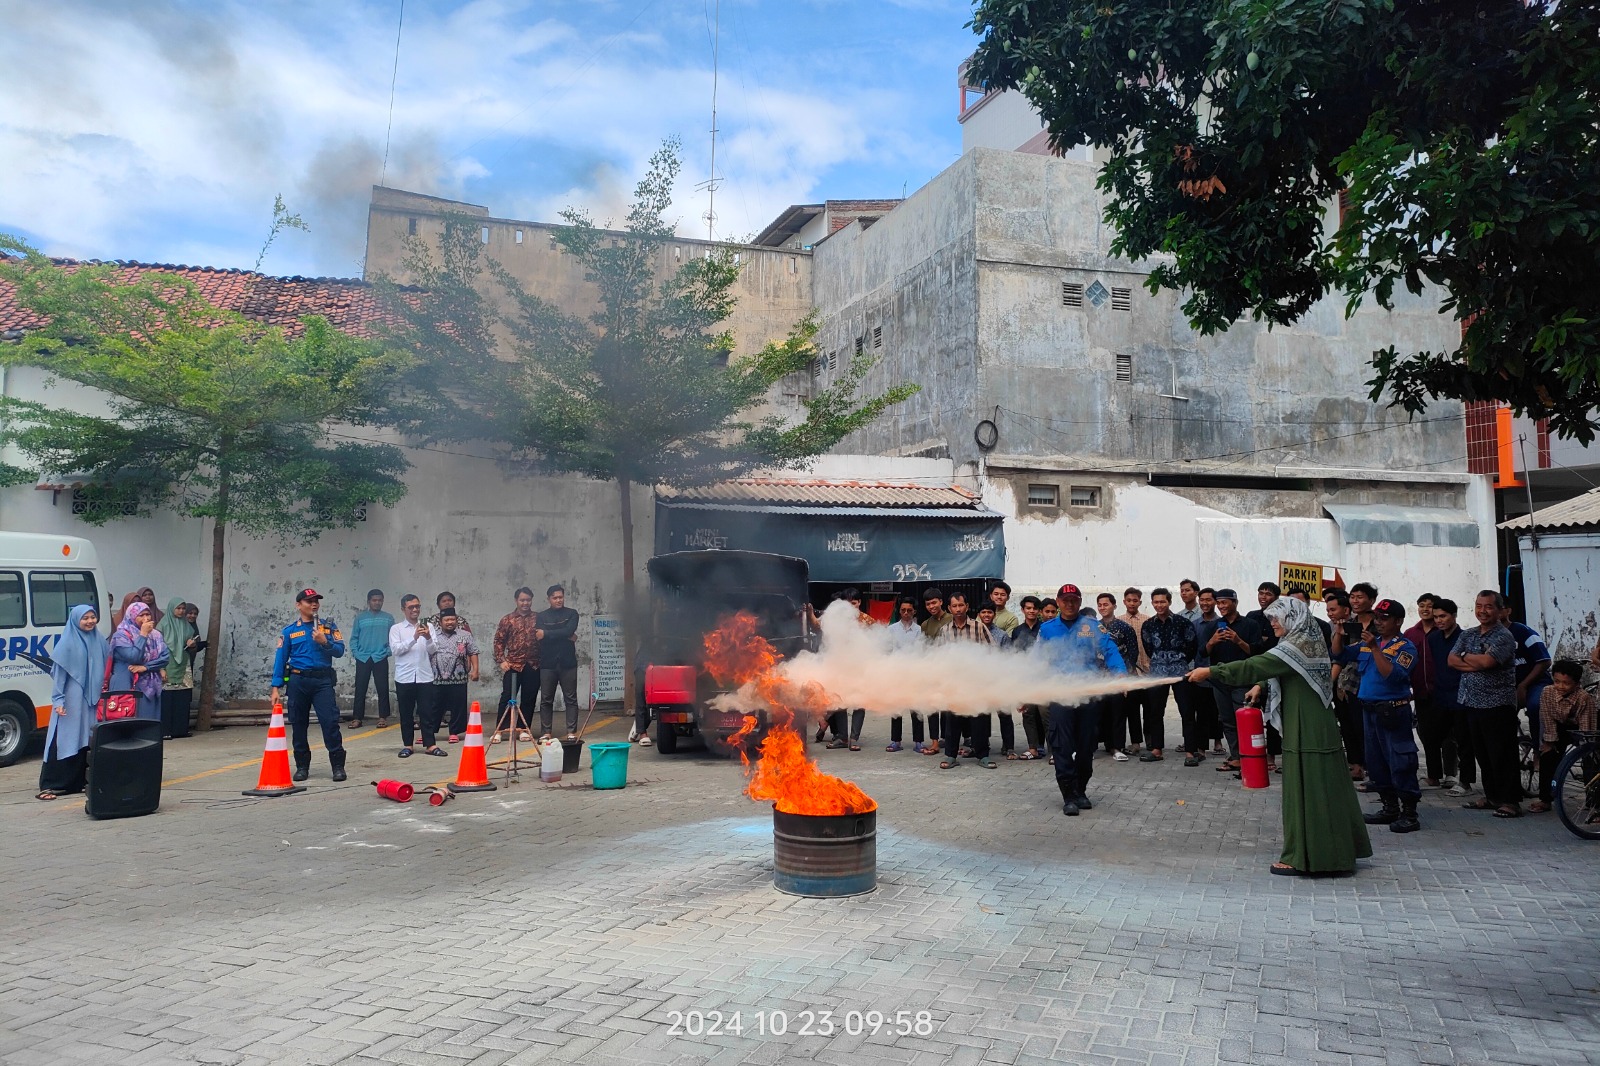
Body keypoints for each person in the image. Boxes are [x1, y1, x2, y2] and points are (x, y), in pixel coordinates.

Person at [1187, 597, 1372, 876]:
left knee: (1308, 790)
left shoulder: (1295, 645)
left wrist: (1211, 671)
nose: (1271, 623)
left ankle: (1309, 858)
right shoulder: (1306, 641)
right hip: (1315, 725)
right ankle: (1338, 851)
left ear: (1292, 618)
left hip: (1306, 727)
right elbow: (1278, 669)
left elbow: (1256, 665)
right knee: (1326, 788)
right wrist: (1261, 686)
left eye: (1276, 618)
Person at [1039, 583, 1127, 815]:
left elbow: (1110, 651)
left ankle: (1081, 791)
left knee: (1087, 747)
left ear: (1079, 602)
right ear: (1057, 602)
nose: (1069, 604)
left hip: (1089, 696)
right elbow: (1037, 661)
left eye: (1074, 600)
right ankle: (1068, 795)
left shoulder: (1092, 626)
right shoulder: (1047, 629)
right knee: (1062, 747)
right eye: (1065, 600)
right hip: (1061, 696)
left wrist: (1120, 674)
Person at [1339, 599, 1423, 832]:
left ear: (1398, 621)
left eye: (1384, 618)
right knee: (1376, 762)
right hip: (1370, 711)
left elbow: (1393, 675)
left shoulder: (1406, 647)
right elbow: (1341, 654)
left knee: (1401, 760)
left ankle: (1409, 813)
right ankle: (1389, 807)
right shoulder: (1369, 643)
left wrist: (1376, 650)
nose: (1379, 622)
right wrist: (1338, 633)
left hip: (1393, 711)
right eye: (1377, 617)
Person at [1450, 590, 1521, 818]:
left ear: (1499, 610)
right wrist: (1475, 661)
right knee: (1482, 753)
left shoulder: (1504, 636)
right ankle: (1492, 797)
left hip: (1497, 703)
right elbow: (1451, 660)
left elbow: (1489, 662)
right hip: (1470, 702)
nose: (1483, 611)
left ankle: (1510, 801)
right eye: (1479, 605)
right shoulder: (1468, 634)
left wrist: (1466, 658)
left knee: (1502, 754)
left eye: (1489, 606)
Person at [268, 589, 347, 782]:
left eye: (316, 601)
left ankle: (338, 766)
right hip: (298, 681)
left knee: (330, 723)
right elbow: (281, 659)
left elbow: (340, 651)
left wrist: (324, 641)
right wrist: (276, 688)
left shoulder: (328, 628)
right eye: (309, 601)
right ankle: (302, 766)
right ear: (298, 605)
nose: (314, 604)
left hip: (322, 682)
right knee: (299, 724)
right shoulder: (290, 631)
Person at [36, 605, 107, 800]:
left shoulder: (98, 640)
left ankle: (78, 782)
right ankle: (51, 784)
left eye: (93, 617)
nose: (90, 621)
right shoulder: (66, 643)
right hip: (71, 699)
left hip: (91, 699)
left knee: (85, 738)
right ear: (75, 619)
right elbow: (59, 676)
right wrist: (58, 700)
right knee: (64, 737)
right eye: (85, 618)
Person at [1200, 588, 1265, 772]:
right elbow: (1203, 652)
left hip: (1243, 681)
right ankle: (1236, 756)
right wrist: (1212, 641)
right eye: (1218, 603)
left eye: (1224, 602)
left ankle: (1249, 756)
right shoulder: (1214, 625)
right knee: (1227, 720)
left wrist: (1238, 641)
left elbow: (1257, 652)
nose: (1221, 606)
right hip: (1220, 682)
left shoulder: (1250, 625)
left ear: (1235, 603)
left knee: (1244, 720)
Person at [935, 592, 995, 769]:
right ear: (949, 609)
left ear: (967, 607)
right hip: (954, 684)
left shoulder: (978, 627)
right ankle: (951, 756)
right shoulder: (945, 631)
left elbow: (991, 652)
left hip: (976, 682)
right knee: (953, 721)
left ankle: (983, 755)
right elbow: (938, 657)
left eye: (961, 605)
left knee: (979, 720)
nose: (958, 609)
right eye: (954, 606)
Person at [1141, 587, 1198, 764]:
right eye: (1156, 602)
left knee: (1187, 712)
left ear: (1170, 602)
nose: (1159, 605)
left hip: (1180, 672)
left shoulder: (1183, 622)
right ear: (1152, 603)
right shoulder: (1148, 625)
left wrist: (1177, 660)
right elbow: (1149, 648)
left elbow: (1191, 647)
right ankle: (1157, 749)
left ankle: (1190, 752)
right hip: (1157, 673)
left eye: (1162, 602)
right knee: (1155, 712)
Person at [1532, 660, 1596, 813]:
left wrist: (1584, 749)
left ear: (1576, 683)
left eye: (1566, 683)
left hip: (1580, 727)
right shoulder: (1547, 691)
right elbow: (1547, 717)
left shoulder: (1583, 697)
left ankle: (1594, 804)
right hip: (1557, 725)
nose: (1560, 686)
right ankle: (1545, 799)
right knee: (1548, 756)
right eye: (1557, 681)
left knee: (1590, 762)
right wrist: (1550, 742)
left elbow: (1586, 729)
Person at [390, 595, 442, 758]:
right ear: (403, 609)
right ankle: (408, 745)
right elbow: (396, 650)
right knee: (406, 713)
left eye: (417, 606)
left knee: (427, 712)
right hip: (404, 676)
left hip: (424, 675)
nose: (415, 610)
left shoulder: (429, 627)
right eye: (411, 607)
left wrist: (427, 637)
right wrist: (414, 638)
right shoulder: (396, 629)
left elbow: (434, 650)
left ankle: (430, 745)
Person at [1427, 599, 1469, 796]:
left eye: (1443, 616)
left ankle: (1465, 781)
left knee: (1463, 740)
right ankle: (1436, 775)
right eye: (1435, 617)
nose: (1439, 620)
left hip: (1462, 695)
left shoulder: (1465, 637)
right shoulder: (1433, 638)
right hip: (1440, 694)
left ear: (1454, 615)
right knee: (1433, 735)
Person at [1325, 588, 1366, 783]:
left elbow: (1342, 658)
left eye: (1333, 609)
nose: (1330, 613)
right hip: (1342, 686)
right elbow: (1336, 656)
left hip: (1359, 685)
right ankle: (1356, 766)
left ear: (1346, 610)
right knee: (1347, 727)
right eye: (1328, 610)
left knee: (1360, 727)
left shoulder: (1358, 628)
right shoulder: (1336, 628)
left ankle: (1367, 767)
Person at [491, 587, 542, 743]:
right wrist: (502, 660)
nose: (525, 603)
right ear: (516, 601)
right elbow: (499, 641)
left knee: (529, 697)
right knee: (507, 697)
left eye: (528, 600)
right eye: (522, 600)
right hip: (513, 664)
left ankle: (523, 729)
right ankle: (500, 730)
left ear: (531, 600)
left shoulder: (539, 618)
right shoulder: (507, 619)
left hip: (533, 664)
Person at [1096, 592, 1140, 759]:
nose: (1102, 608)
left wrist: (1125, 678)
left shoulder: (1125, 628)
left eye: (1106, 604)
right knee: (1098, 713)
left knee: (1117, 713)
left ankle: (1117, 747)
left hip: (1118, 677)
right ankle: (1095, 746)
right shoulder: (1093, 627)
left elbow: (1132, 654)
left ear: (1114, 606)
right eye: (1099, 605)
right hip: (1098, 679)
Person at [536, 584, 581, 741]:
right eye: (555, 597)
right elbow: (539, 635)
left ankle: (571, 731)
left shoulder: (572, 613)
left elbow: (569, 631)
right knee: (546, 699)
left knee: (571, 698)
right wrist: (563, 634)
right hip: (547, 663)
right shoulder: (541, 616)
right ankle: (546, 732)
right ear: (549, 599)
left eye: (560, 597)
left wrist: (547, 633)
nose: (558, 600)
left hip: (568, 663)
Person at [110, 601, 168, 722]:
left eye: (148, 614)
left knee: (150, 722)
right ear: (131, 616)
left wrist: (146, 667)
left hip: (152, 684)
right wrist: (143, 635)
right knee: (129, 722)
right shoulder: (121, 635)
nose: (146, 618)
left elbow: (165, 657)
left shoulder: (156, 635)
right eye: (141, 615)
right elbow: (134, 657)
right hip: (128, 684)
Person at [1404, 594, 1440, 786]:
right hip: (1420, 691)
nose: (1425, 609)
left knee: (1448, 734)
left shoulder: (1442, 630)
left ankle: (1452, 773)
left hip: (1442, 690)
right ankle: (1434, 775)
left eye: (1430, 606)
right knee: (1426, 732)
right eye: (1421, 605)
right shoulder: (1410, 633)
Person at [1502, 604, 1552, 741]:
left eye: (1499, 607)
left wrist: (1523, 685)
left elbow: (1545, 661)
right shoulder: (1485, 635)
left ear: (1508, 610)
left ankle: (1539, 750)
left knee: (1536, 706)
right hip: (1507, 687)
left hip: (1535, 683)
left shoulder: (1524, 632)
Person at [429, 609, 480, 742]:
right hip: (436, 679)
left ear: (456, 621)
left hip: (459, 678)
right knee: (434, 706)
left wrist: (475, 670)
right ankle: (429, 733)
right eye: (447, 620)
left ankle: (454, 732)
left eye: (452, 619)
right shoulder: (433, 635)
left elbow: (473, 652)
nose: (450, 622)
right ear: (441, 622)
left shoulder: (465, 635)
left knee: (458, 706)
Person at [348, 589, 394, 728]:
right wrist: (356, 652)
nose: (377, 603)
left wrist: (387, 652)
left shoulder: (388, 618)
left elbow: (393, 638)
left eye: (380, 600)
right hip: (362, 657)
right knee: (360, 688)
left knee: (383, 687)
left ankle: (382, 717)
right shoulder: (360, 618)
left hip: (380, 656)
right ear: (369, 601)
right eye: (374, 600)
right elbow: (354, 638)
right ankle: (357, 718)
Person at [885, 597, 927, 752]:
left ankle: (919, 742)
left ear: (914, 611)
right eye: (903, 610)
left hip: (914, 673)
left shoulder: (919, 629)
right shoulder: (891, 629)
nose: (906, 613)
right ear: (899, 611)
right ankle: (895, 741)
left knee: (917, 708)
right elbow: (887, 650)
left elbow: (921, 651)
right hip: (896, 673)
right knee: (896, 708)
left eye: (909, 610)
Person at [1010, 595, 1047, 759]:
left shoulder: (1045, 628)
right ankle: (1032, 748)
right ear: (1023, 610)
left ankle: (1054, 751)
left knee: (1047, 715)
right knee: (1028, 714)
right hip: (1025, 679)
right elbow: (1014, 655)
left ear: (1039, 611)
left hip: (1044, 678)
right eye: (1028, 608)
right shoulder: (1018, 631)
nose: (1031, 611)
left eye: (1034, 608)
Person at [156, 595, 199, 738]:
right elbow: (156, 648)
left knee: (182, 697)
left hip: (183, 665)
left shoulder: (187, 626)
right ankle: (165, 731)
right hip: (167, 663)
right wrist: (160, 668)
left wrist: (192, 644)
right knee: (167, 699)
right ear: (171, 609)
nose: (181, 611)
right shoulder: (162, 625)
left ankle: (181, 730)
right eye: (178, 608)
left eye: (183, 608)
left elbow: (191, 647)